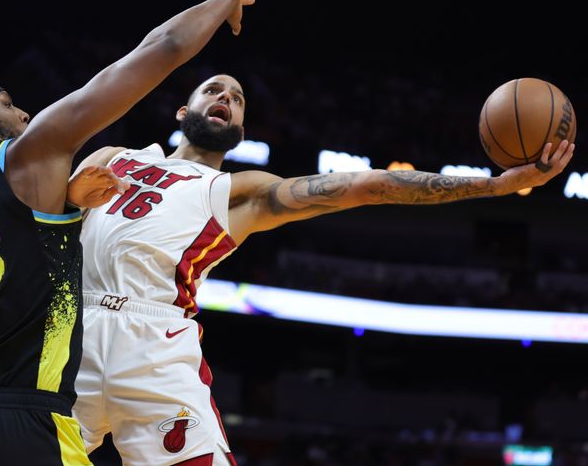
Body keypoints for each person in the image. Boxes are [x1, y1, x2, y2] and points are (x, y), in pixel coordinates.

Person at [0, 0, 261, 465]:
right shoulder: (29, 157)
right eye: (7, 104)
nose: (24, 111)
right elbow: (162, 48)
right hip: (25, 418)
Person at [72, 73, 576, 465]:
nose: (225, 96)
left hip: (157, 343)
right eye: (213, 89)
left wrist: (493, 187)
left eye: (238, 97)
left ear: (241, 129)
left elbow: (366, 186)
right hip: (71, 329)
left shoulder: (240, 192)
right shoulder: (114, 158)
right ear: (185, 110)